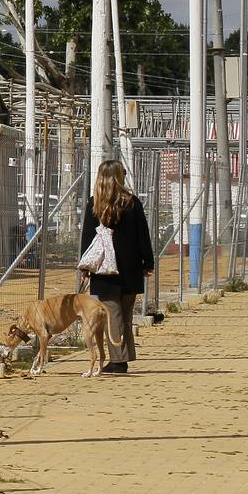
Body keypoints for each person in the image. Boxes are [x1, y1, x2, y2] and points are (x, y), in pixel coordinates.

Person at [80, 159, 154, 374]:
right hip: (130, 268)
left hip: (104, 270)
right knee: (125, 315)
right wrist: (148, 262)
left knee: (113, 315)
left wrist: (86, 267)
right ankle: (123, 356)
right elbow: (143, 237)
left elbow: (87, 240)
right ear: (119, 177)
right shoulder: (132, 203)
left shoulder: (94, 205)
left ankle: (118, 361)